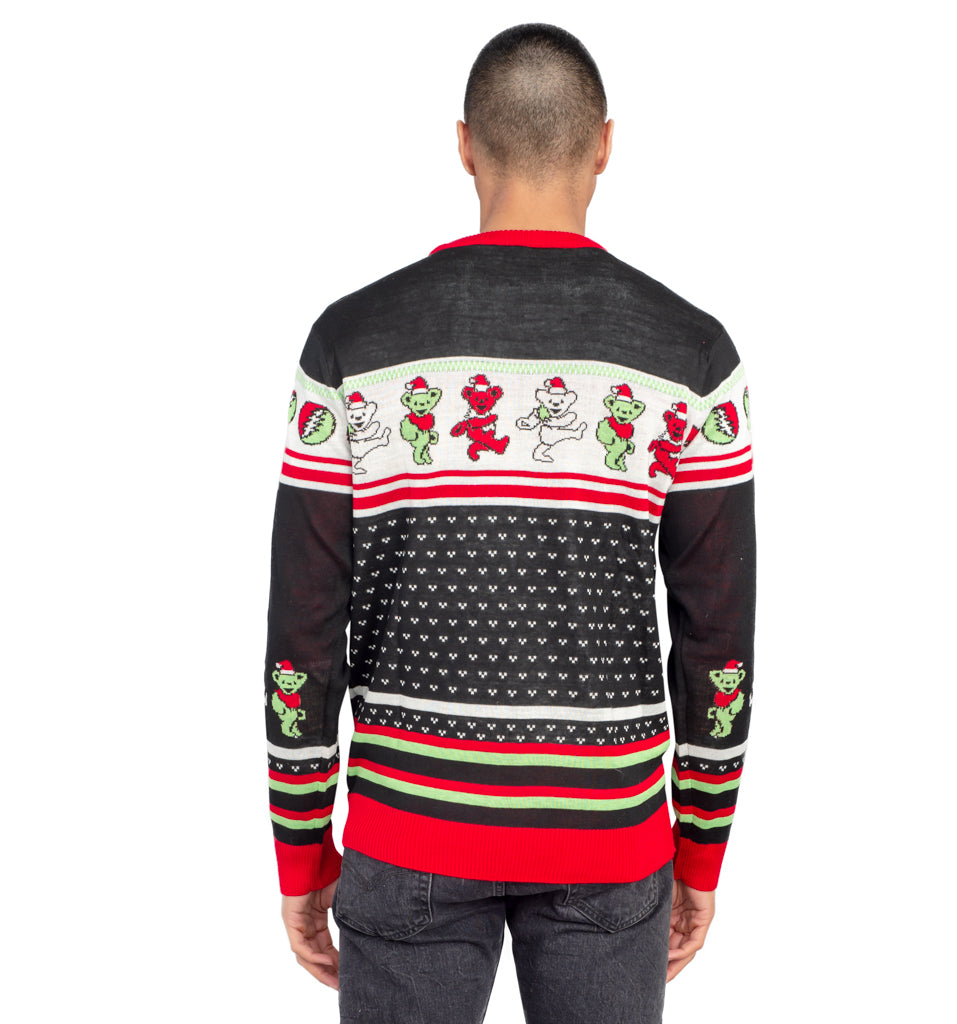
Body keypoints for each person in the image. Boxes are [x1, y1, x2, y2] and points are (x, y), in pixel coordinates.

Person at [264, 22, 756, 1024]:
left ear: (463, 146)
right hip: (608, 836)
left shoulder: (350, 344)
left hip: (407, 831)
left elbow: (303, 626)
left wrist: (302, 849)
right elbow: (718, 634)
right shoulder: (692, 356)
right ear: (605, 146)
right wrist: (701, 845)